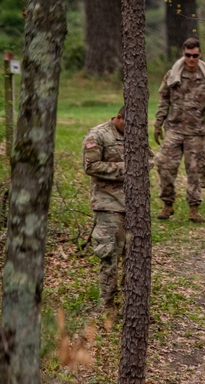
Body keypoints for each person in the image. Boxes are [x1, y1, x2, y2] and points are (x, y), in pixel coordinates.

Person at [153, 37, 205, 223]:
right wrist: (158, 122)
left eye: (195, 55)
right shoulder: (173, 75)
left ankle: (194, 208)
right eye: (188, 55)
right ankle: (167, 204)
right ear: (183, 54)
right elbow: (164, 100)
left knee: (195, 170)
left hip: (196, 132)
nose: (191, 59)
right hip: (174, 129)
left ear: (200, 55)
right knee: (164, 165)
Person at [83, 107, 128, 310]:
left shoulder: (134, 132)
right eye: (127, 123)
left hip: (133, 206)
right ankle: (107, 305)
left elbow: (149, 158)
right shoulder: (98, 135)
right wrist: (124, 168)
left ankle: (131, 303)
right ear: (118, 117)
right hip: (107, 204)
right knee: (110, 255)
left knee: (134, 257)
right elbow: (90, 166)